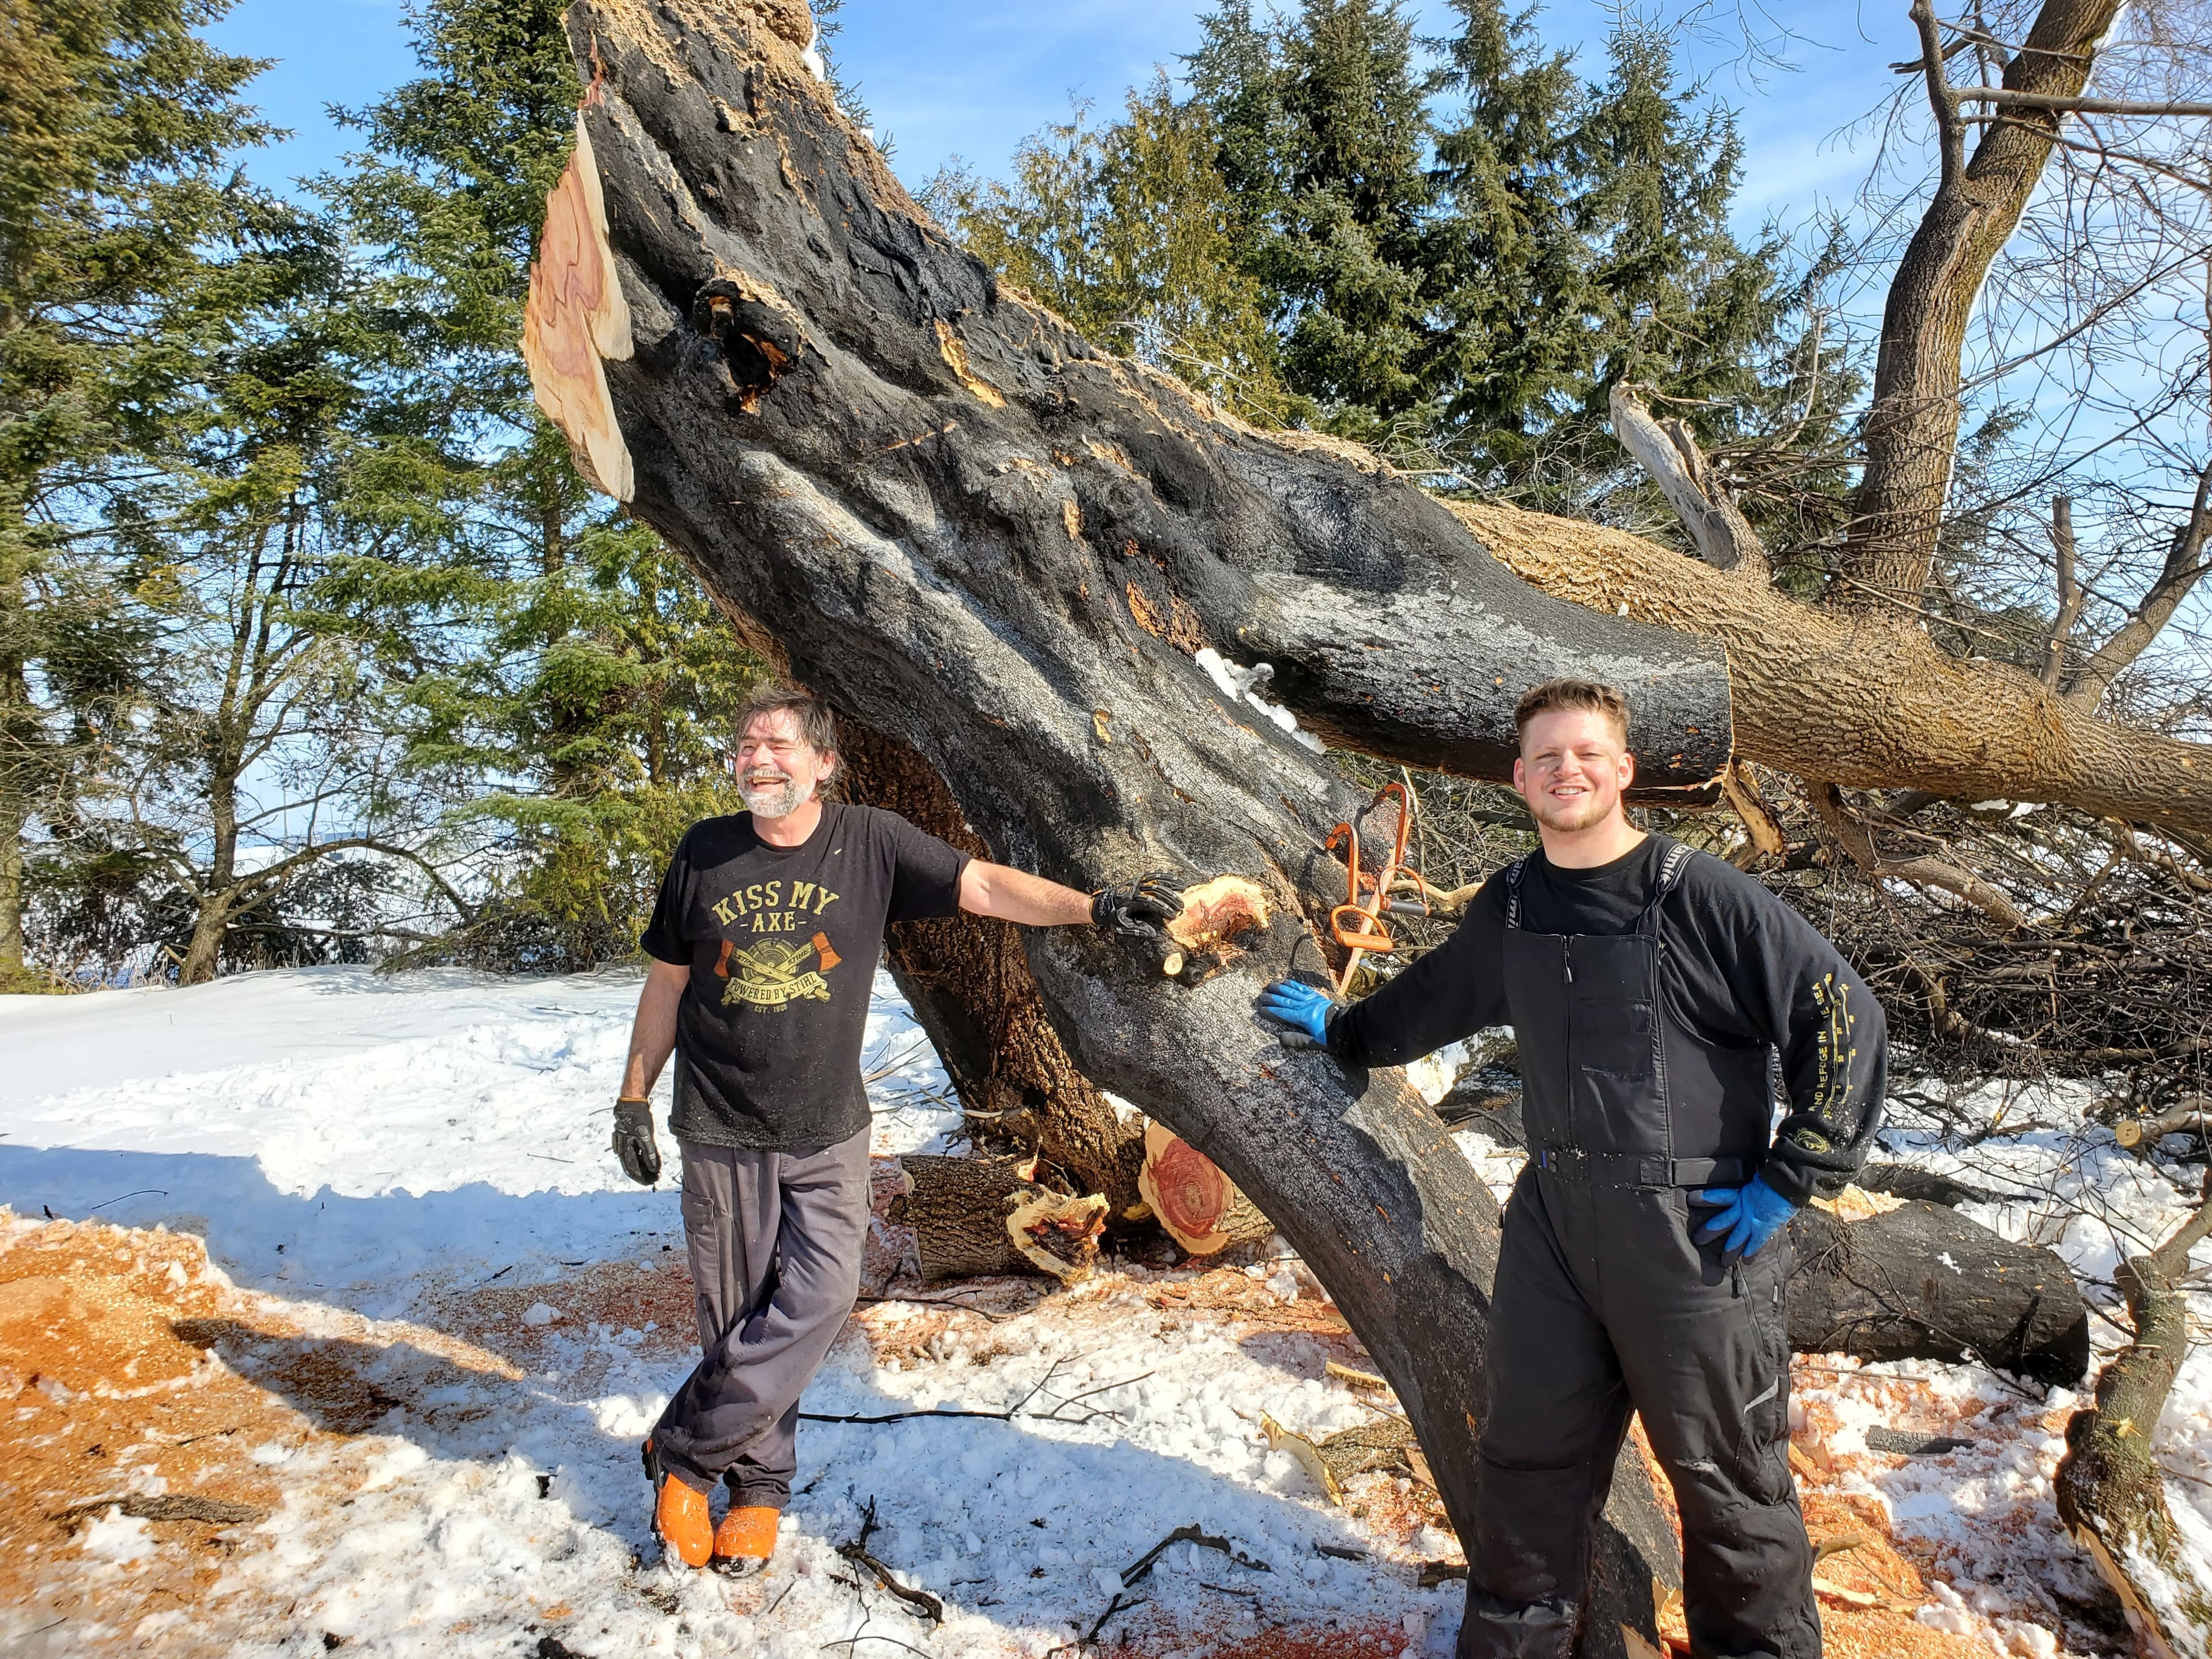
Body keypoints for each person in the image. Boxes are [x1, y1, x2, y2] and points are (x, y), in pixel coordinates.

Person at [1256, 678, 1885, 1659]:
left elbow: (1842, 1012)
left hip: (1696, 1236)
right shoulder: (1510, 903)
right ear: (1519, 777)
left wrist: (1794, 1173)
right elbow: (1429, 1002)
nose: (1567, 770)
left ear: (1624, 770)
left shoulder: (1700, 895)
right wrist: (1342, 1026)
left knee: (1728, 1481)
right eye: (1546, 757)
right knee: (1527, 1467)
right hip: (1552, 1228)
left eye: (1587, 753)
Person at [614, 682, 1181, 1575]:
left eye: (777, 745)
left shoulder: (870, 842)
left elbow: (987, 886)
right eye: (746, 745)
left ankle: (680, 1452)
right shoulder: (702, 853)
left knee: (821, 1297)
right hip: (721, 1126)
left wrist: (1094, 906)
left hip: (829, 1126)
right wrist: (632, 1098)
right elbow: (666, 985)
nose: (757, 759)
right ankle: (757, 1490)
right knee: (735, 1318)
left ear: (823, 764)